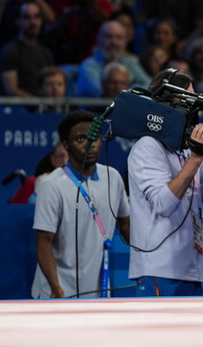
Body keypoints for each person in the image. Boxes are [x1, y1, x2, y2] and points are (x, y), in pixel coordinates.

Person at [127, 70, 203, 296]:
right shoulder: (148, 146)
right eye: (187, 98)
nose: (194, 106)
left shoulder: (184, 151)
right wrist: (196, 158)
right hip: (159, 268)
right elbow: (163, 203)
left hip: (191, 267)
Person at [32, 110, 130, 299]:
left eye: (95, 137)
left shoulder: (113, 178)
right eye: (81, 139)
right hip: (57, 292)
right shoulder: (51, 186)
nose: (90, 144)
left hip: (98, 291)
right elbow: (44, 243)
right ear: (66, 145)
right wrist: (55, 287)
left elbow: (125, 225)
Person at [76, 19, 150, 97]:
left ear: (125, 41)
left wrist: (128, 89)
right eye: (108, 36)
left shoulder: (130, 63)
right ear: (99, 39)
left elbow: (149, 84)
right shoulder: (88, 66)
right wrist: (129, 89)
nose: (114, 42)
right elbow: (105, 92)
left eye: (119, 38)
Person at [0, 0, 54, 97]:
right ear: (18, 21)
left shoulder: (46, 52)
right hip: (19, 108)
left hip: (42, 107)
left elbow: (51, 82)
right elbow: (11, 90)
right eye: (27, 17)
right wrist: (38, 104)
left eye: (37, 17)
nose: (33, 22)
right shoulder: (10, 51)